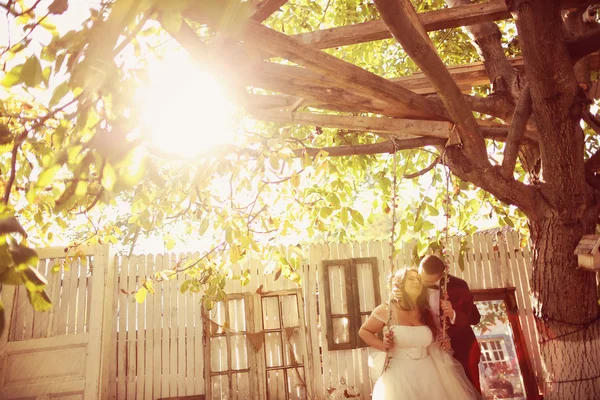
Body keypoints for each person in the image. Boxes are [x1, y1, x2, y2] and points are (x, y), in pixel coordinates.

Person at [359, 268, 481, 399]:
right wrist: (383, 345)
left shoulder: (425, 312)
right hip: (398, 375)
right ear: (400, 283)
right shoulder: (387, 309)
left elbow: (434, 338)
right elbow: (364, 331)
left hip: (428, 372)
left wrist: (444, 342)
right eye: (411, 278)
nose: (416, 282)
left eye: (418, 279)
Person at [419, 254, 482, 393]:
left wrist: (453, 314)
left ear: (440, 275)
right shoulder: (415, 284)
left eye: (426, 279)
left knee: (469, 391)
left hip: (460, 349)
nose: (421, 281)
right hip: (430, 349)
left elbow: (475, 318)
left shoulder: (458, 285)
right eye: (421, 276)